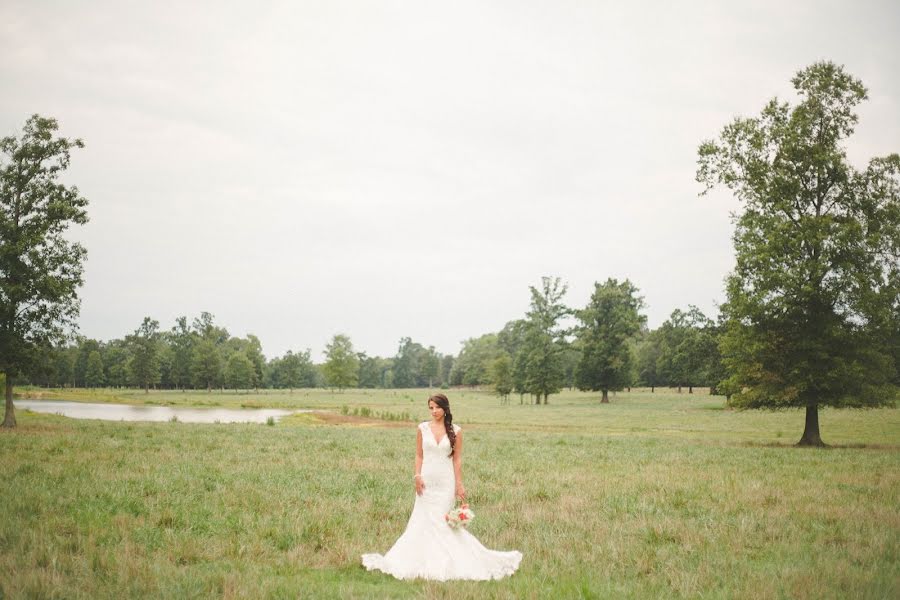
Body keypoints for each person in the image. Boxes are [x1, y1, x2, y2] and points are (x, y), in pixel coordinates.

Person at [361, 393, 522, 580]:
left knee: (442, 523)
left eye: (437, 407)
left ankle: (453, 562)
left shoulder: (456, 431)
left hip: (446, 484)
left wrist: (459, 484)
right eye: (431, 408)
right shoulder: (422, 428)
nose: (434, 411)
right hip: (426, 483)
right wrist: (417, 476)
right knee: (421, 522)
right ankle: (420, 561)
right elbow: (419, 455)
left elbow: (457, 459)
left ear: (445, 408)